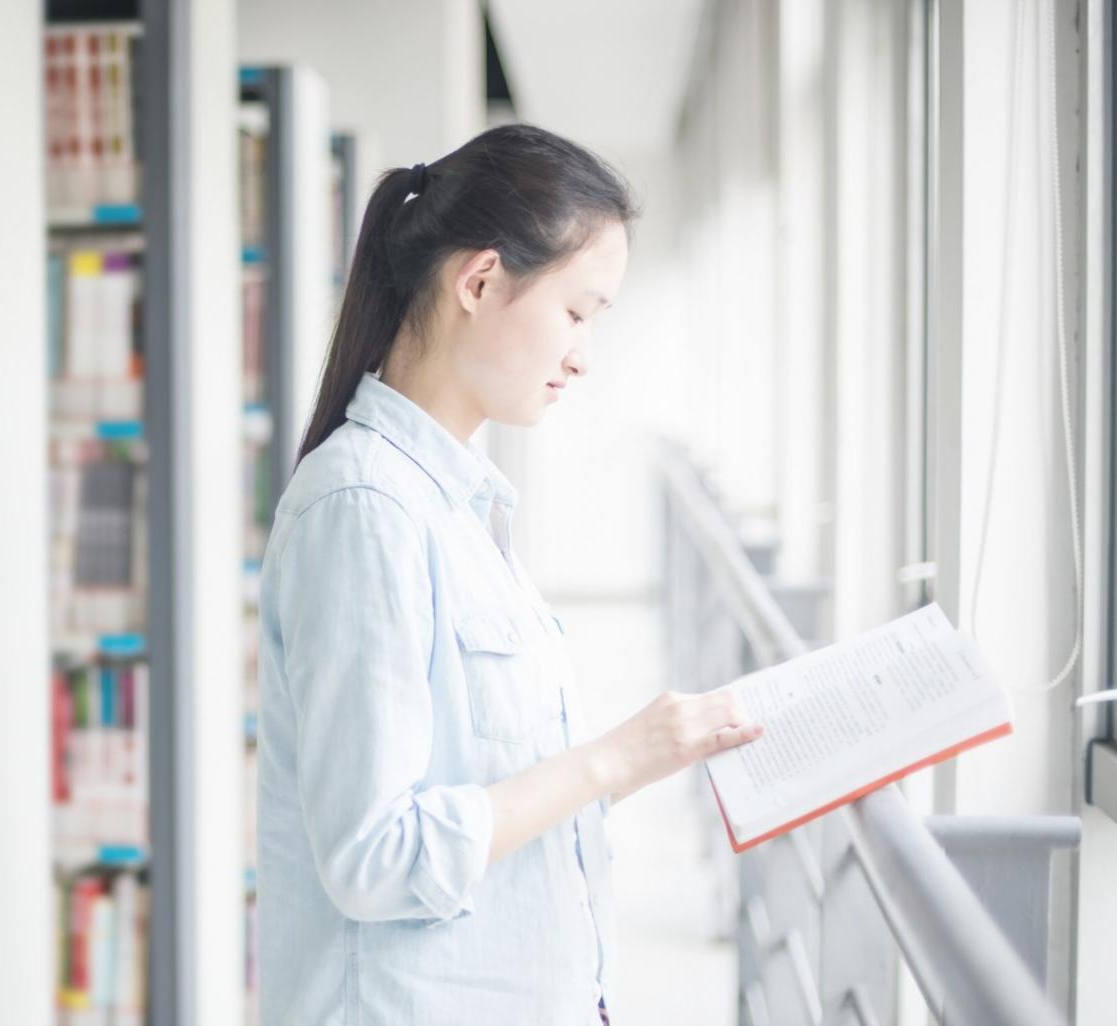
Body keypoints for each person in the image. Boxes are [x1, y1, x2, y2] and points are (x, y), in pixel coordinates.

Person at [255, 123, 764, 1025]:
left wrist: (646, 759)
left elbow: (482, 785)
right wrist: (611, 757)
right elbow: (375, 857)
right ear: (480, 282)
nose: (582, 356)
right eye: (576, 313)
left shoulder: (456, 504)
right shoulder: (365, 509)